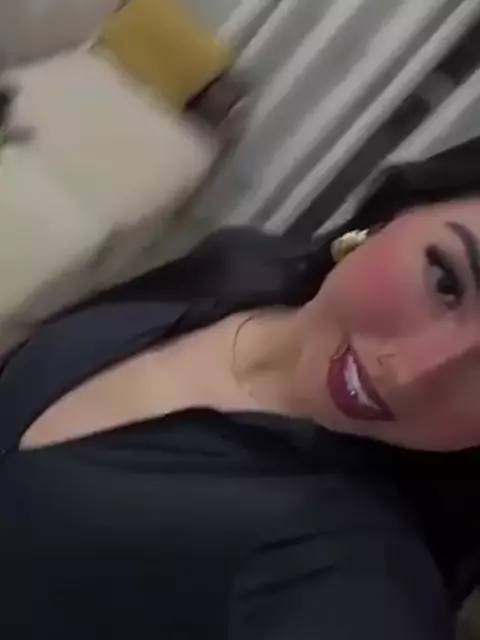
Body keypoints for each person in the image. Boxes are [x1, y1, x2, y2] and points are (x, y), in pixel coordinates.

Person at [4, 138, 480, 640]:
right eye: (446, 283)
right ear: (399, 212)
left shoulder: (346, 575)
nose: (411, 373)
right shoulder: (238, 266)